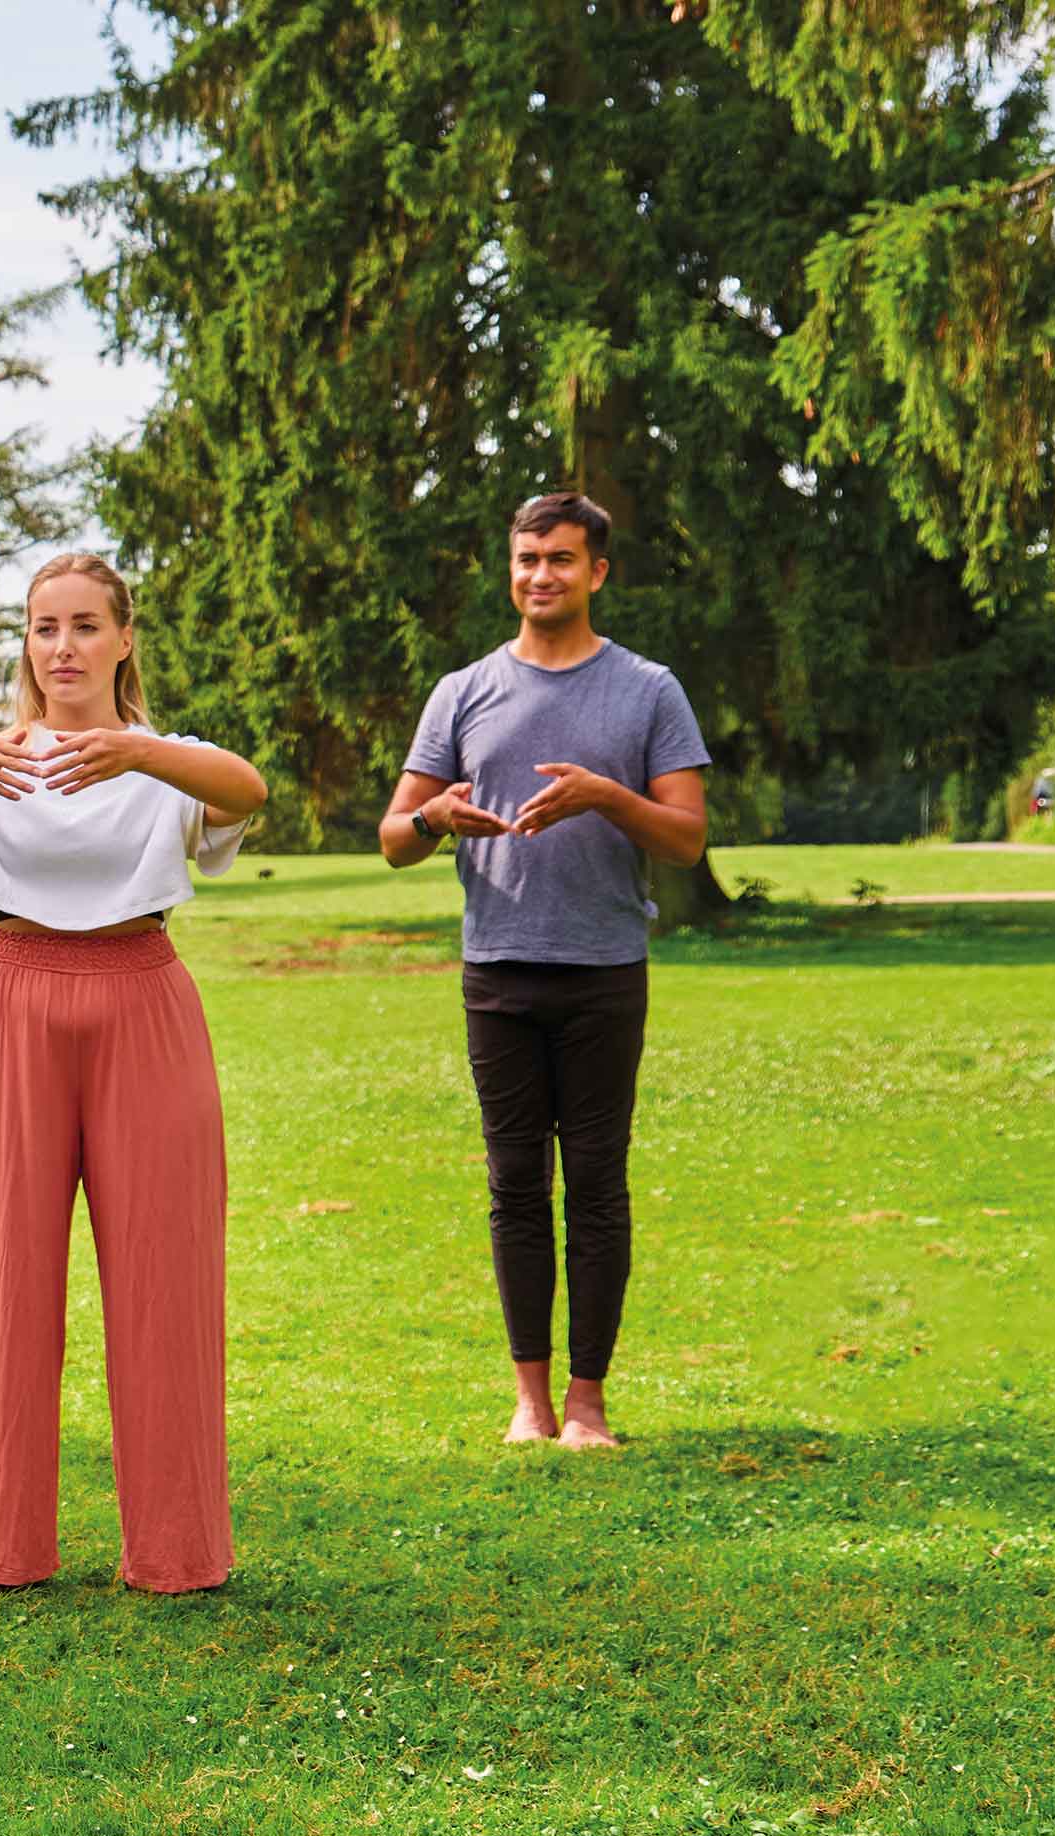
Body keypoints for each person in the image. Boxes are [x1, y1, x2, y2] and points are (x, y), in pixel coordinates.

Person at [0, 553, 267, 1593]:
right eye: (43, 628)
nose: (62, 647)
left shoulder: (167, 760)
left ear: (123, 639)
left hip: (145, 997)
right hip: (12, 997)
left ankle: (176, 1552)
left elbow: (247, 790)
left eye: (84, 626)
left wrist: (134, 750)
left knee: (165, 1280)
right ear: (23, 642)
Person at [375, 492, 711, 1451]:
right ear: (509, 567)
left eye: (560, 560)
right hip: (498, 973)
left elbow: (687, 841)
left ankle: (587, 1405)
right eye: (526, 560)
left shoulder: (649, 691)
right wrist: (436, 817)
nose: (540, 577)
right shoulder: (462, 691)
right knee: (515, 1183)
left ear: (597, 572)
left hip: (605, 969)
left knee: (596, 1185)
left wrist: (608, 796)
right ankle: (527, 1402)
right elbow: (394, 838)